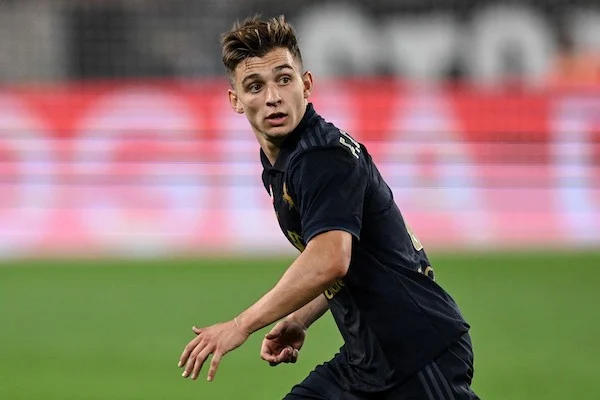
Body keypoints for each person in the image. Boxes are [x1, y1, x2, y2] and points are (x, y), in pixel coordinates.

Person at [178, 15, 479, 400]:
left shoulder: (321, 157)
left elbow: (330, 259)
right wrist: (299, 318)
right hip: (368, 359)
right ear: (235, 100)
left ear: (306, 85)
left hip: (416, 352)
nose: (273, 97)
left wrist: (241, 325)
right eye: (255, 86)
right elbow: (349, 258)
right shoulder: (286, 160)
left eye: (283, 79)